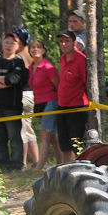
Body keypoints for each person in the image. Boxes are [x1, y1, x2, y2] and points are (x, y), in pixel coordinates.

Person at [28, 39, 63, 170]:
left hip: (51, 101)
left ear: (43, 50)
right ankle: (61, 164)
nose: (35, 49)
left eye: (38, 47)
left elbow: (57, 85)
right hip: (39, 103)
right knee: (54, 136)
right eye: (32, 47)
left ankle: (40, 165)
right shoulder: (31, 67)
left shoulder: (48, 67)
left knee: (45, 133)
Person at [56, 29, 88, 162]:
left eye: (67, 41)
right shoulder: (63, 58)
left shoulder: (81, 59)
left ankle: (79, 167)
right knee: (64, 143)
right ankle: (67, 168)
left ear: (74, 43)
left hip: (77, 107)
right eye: (61, 41)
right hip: (62, 105)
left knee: (77, 142)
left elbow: (87, 83)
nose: (63, 44)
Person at [0, 32, 28, 171]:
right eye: (7, 42)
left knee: (15, 137)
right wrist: (5, 80)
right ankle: (3, 166)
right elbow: (8, 80)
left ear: (17, 46)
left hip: (12, 106)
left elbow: (13, 80)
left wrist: (4, 81)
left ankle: (17, 165)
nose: (9, 45)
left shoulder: (18, 62)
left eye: (12, 43)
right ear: (2, 44)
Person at [13, 27, 39, 169]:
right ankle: (36, 161)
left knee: (22, 130)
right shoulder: (32, 54)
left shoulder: (19, 56)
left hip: (23, 94)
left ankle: (22, 163)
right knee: (28, 129)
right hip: (31, 95)